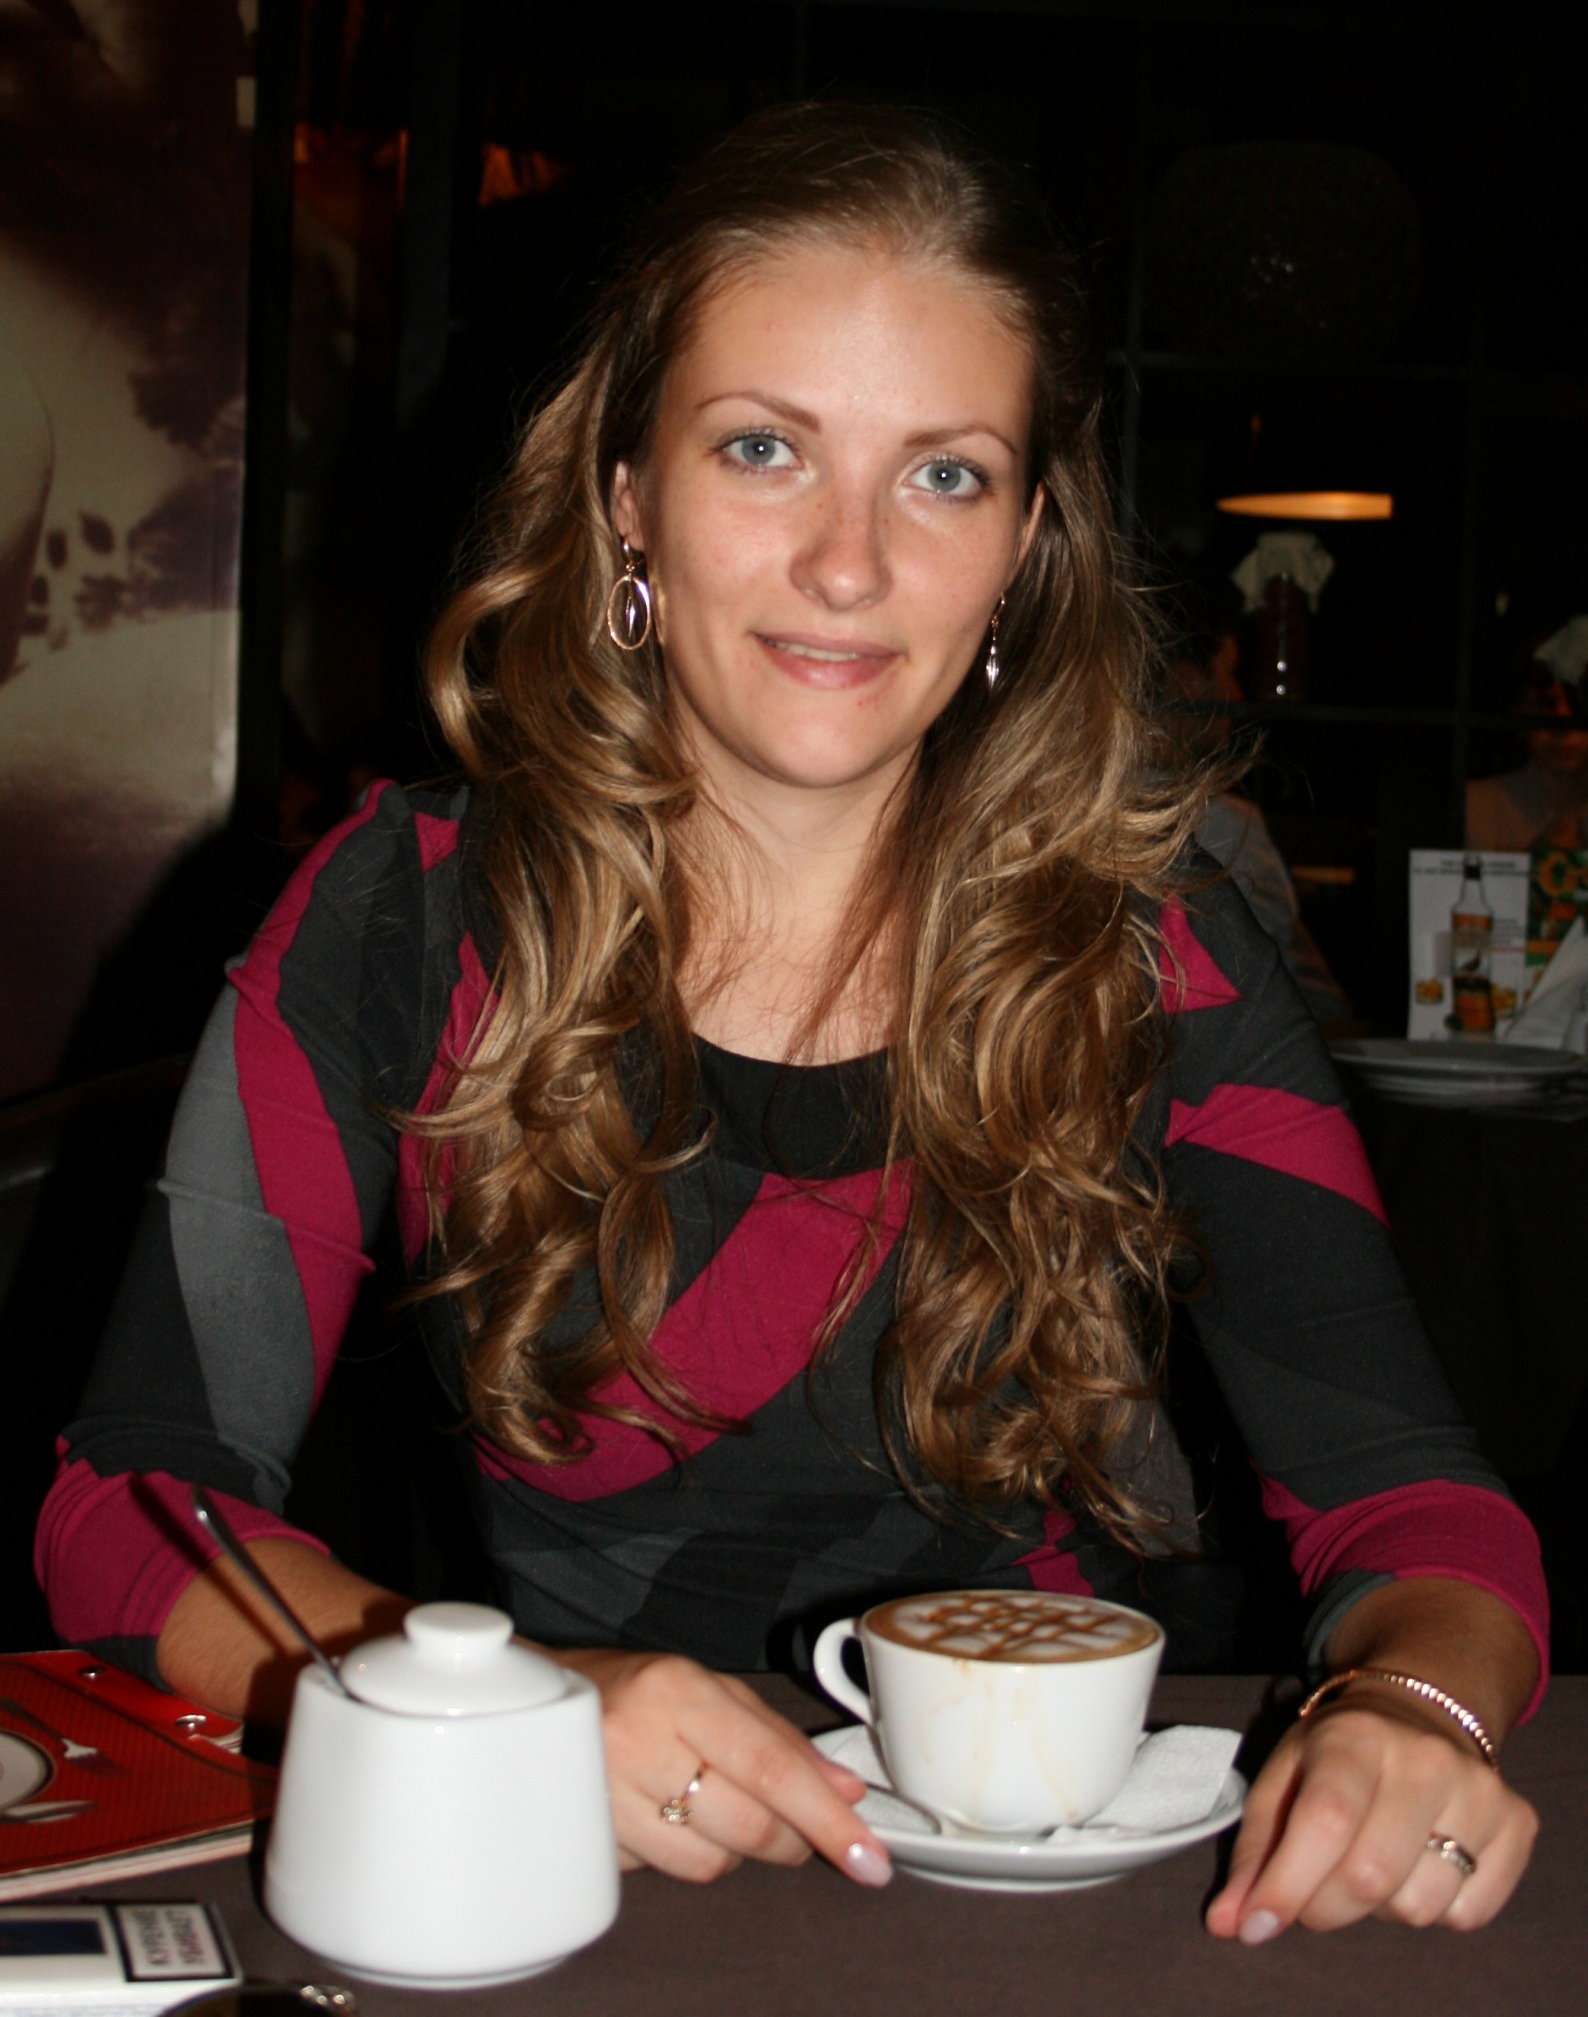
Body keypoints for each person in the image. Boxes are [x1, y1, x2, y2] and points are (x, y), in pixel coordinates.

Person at [38, 105, 1544, 1940]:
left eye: (943, 476)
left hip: (1058, 1923)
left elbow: (1419, 1514)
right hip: (562, 1889)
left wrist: (1411, 1712)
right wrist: (484, 1711)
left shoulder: (1156, 948)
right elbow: (131, 1498)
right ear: (626, 495)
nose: (847, 562)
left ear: (1026, 544)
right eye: (763, 448)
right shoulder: (402, 914)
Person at [1169, 623, 1351, 1023]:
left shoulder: (1080, 807)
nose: (1237, 696)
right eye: (1229, 672)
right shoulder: (1219, 822)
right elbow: (1277, 970)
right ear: (1189, 682)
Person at [1466, 622, 1588, 853]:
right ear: (1519, 713)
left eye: (1578, 704)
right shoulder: (1476, 810)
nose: (1562, 725)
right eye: (1545, 704)